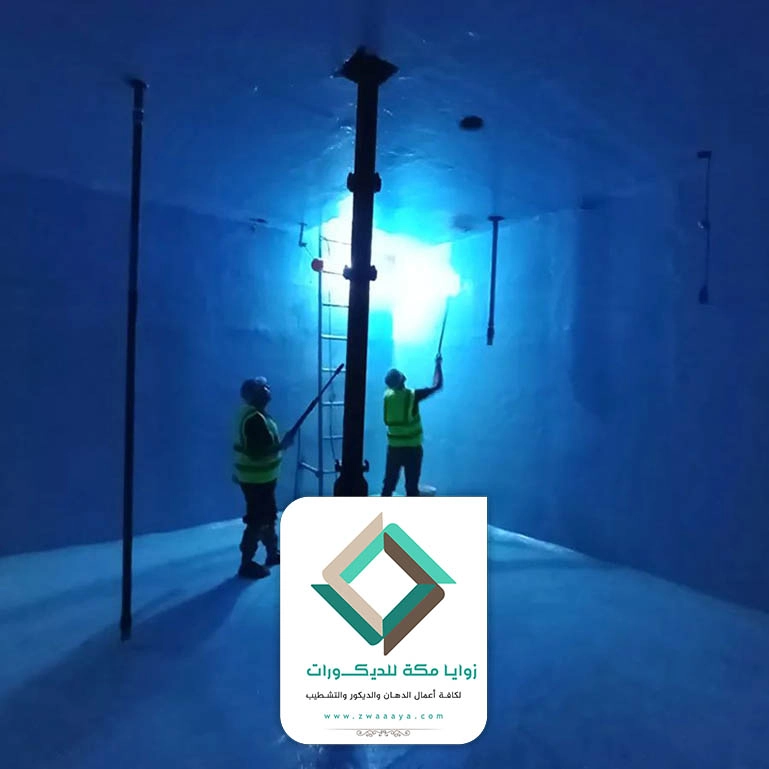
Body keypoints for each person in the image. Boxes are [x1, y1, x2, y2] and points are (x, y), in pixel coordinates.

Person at [233, 377, 295, 579]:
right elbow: (257, 453)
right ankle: (246, 563)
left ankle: (272, 553)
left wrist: (280, 445)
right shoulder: (254, 419)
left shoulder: (256, 415)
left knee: (267, 515)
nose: (267, 390)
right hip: (256, 480)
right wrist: (282, 445)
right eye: (263, 388)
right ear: (255, 394)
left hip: (261, 478)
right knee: (257, 519)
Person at [381, 355, 443, 496]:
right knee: (411, 487)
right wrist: (438, 364)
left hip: (394, 448)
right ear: (402, 378)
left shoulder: (387, 397)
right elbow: (437, 385)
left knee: (388, 486)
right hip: (412, 449)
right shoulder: (412, 396)